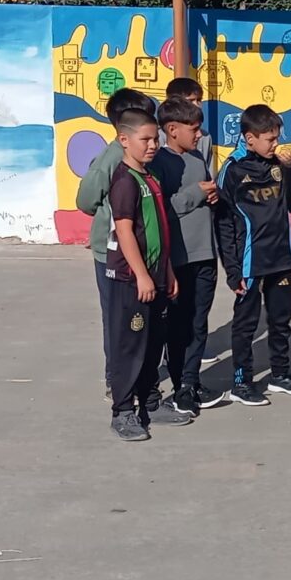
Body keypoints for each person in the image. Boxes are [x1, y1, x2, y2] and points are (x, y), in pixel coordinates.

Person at [215, 104, 291, 406]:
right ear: (249, 137)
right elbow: (224, 225)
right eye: (269, 139)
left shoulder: (278, 164)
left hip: (280, 256)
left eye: (277, 138)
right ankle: (241, 382)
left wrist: (290, 169)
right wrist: (232, 270)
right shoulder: (232, 170)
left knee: (281, 319)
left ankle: (280, 374)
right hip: (249, 262)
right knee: (246, 324)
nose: (275, 145)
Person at [104, 109, 189, 440]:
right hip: (131, 280)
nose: (153, 144)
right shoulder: (124, 180)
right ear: (124, 140)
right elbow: (125, 232)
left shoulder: (150, 178)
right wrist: (141, 275)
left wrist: (165, 270)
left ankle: (150, 402)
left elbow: (161, 230)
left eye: (155, 138)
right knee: (131, 346)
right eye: (145, 139)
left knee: (154, 343)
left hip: (156, 275)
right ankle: (123, 410)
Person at [77, 89, 158, 403]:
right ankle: (117, 378)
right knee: (117, 317)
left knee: (136, 318)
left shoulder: (145, 155)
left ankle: (137, 374)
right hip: (111, 252)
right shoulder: (112, 159)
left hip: (140, 249)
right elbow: (85, 200)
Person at [149, 96, 227, 416]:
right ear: (172, 129)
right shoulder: (161, 163)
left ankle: (190, 383)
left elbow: (203, 196)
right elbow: (163, 209)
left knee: (199, 323)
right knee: (179, 326)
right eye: (193, 129)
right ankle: (181, 382)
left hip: (206, 255)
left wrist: (213, 196)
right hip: (179, 259)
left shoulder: (197, 157)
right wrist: (197, 193)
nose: (198, 135)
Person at [161, 77, 217, 179]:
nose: (197, 105)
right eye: (191, 100)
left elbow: (209, 173)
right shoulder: (158, 137)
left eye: (199, 100)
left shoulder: (205, 137)